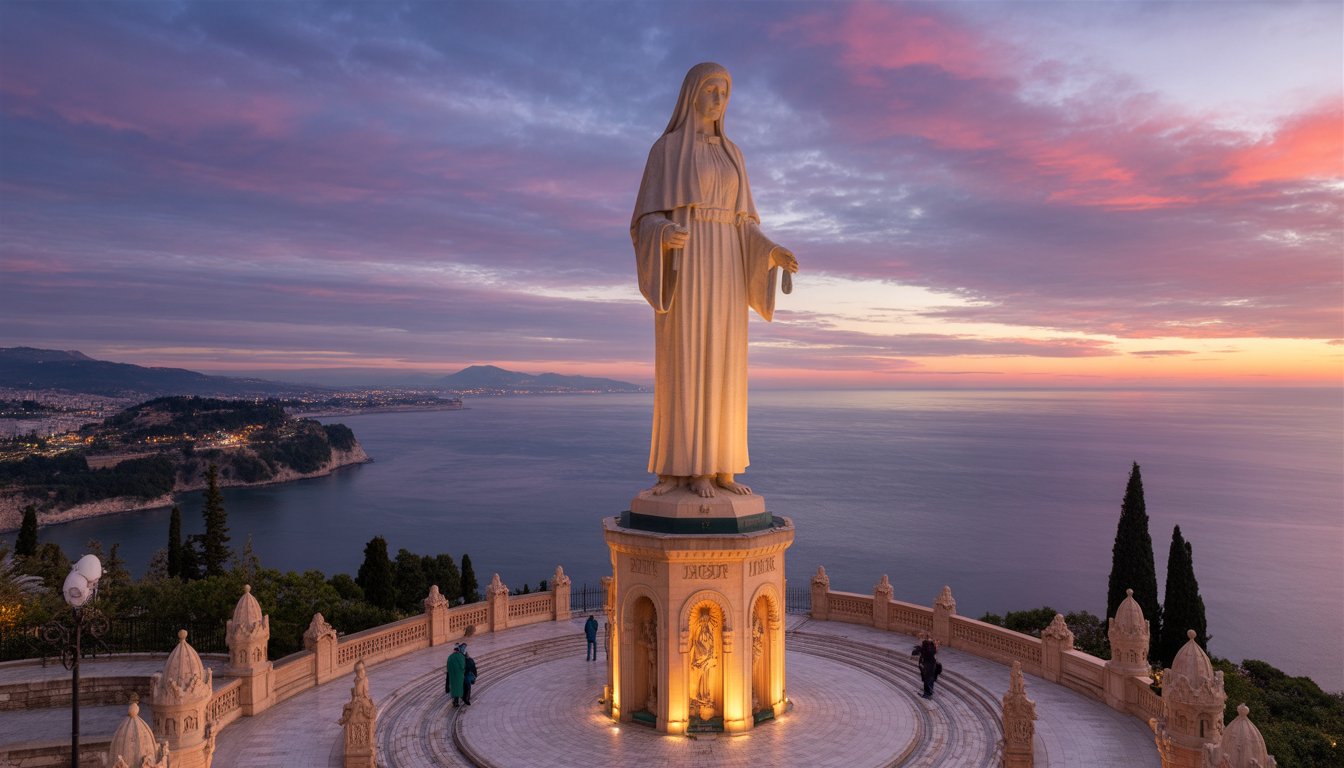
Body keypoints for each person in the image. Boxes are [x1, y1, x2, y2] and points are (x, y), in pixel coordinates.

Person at [632, 62, 800, 499]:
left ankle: (723, 465)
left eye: (725, 91)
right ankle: (688, 467)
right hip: (687, 266)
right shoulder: (666, 151)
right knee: (687, 358)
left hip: (727, 262)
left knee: (726, 359)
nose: (719, 99)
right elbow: (644, 220)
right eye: (711, 89)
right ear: (691, 94)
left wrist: (769, 251)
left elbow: (744, 224)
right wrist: (665, 233)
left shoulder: (734, 155)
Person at [446, 643, 466, 708]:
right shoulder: (461, 656)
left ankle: (455, 701)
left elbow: (448, 667)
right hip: (459, 675)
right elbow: (463, 666)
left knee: (453, 688)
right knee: (459, 688)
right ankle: (457, 701)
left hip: (452, 675)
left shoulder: (450, 657)